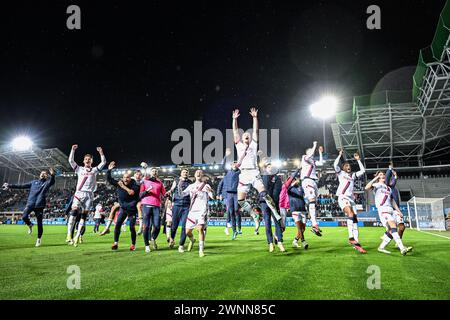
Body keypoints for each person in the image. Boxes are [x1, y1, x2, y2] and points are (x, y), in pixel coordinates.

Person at [232, 108, 283, 232]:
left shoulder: (254, 145)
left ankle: (275, 213)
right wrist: (234, 119)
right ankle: (254, 215)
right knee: (240, 201)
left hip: (254, 172)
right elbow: (235, 132)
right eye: (245, 136)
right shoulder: (239, 146)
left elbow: (255, 131)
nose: (247, 136)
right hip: (243, 173)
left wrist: (255, 118)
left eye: (248, 136)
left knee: (264, 194)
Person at [2, 168, 55, 247]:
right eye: (42, 172)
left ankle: (39, 239)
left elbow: (52, 181)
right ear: (40, 174)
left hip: (39, 205)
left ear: (46, 176)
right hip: (30, 203)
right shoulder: (34, 182)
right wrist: (9, 185)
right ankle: (30, 224)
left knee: (40, 224)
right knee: (24, 217)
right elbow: (22, 186)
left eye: (45, 173)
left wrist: (52, 175)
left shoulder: (46, 183)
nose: (43, 173)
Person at [66, 144, 106, 246]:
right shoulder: (79, 169)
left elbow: (104, 162)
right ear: (84, 161)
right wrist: (72, 150)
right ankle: (68, 235)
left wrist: (101, 153)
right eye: (86, 159)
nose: (87, 160)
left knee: (83, 216)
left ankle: (77, 236)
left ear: (92, 161)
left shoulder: (94, 170)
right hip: (79, 194)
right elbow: (71, 161)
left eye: (89, 159)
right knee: (74, 211)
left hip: (89, 195)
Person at [365, 172, 413, 255]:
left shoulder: (389, 188)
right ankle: (402, 248)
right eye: (380, 174)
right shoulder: (376, 185)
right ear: (378, 177)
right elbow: (367, 187)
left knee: (396, 229)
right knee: (393, 227)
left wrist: (398, 211)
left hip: (391, 210)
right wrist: (376, 178)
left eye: (383, 174)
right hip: (383, 210)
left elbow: (392, 201)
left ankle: (381, 247)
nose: (383, 175)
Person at [334, 150, 367, 253]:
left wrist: (358, 160)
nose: (349, 167)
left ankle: (356, 243)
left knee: (355, 221)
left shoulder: (352, 176)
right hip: (342, 197)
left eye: (349, 166)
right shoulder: (341, 173)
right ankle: (351, 237)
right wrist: (339, 155)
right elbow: (335, 164)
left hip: (351, 199)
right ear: (344, 167)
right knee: (351, 214)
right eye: (347, 165)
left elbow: (363, 171)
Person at [106, 162, 140, 251]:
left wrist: (123, 186)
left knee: (132, 227)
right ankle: (115, 243)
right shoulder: (119, 183)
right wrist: (109, 170)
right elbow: (109, 180)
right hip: (123, 208)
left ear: (130, 178)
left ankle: (133, 244)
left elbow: (131, 192)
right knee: (117, 225)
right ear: (122, 178)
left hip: (132, 209)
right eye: (124, 177)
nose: (125, 179)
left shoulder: (135, 184)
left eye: (127, 177)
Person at [181, 170, 214, 257]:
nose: (198, 173)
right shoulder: (191, 186)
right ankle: (192, 240)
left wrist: (211, 191)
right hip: (192, 211)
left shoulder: (206, 185)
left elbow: (212, 196)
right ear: (194, 175)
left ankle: (201, 250)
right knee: (187, 231)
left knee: (200, 229)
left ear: (202, 175)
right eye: (197, 172)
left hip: (202, 210)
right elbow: (182, 194)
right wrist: (178, 185)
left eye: (200, 172)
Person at [260, 161, 285, 252]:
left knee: (277, 222)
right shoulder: (263, 177)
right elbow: (263, 188)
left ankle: (280, 242)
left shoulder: (277, 178)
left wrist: (272, 201)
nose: (269, 168)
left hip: (273, 202)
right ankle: (270, 243)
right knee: (267, 223)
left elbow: (277, 191)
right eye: (268, 167)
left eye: (271, 167)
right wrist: (266, 175)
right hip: (264, 202)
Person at [140, 167, 166, 253]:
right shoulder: (145, 181)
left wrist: (168, 194)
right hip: (146, 204)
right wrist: (147, 191)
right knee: (146, 226)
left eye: (156, 171)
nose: (154, 172)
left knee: (157, 226)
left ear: (157, 173)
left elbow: (164, 194)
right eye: (153, 171)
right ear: (150, 173)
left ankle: (152, 238)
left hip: (156, 206)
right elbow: (140, 195)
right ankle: (147, 245)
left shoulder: (160, 183)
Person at [300, 141, 323, 236]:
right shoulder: (304, 158)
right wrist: (314, 145)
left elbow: (321, 163)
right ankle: (314, 224)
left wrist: (320, 152)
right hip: (307, 180)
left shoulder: (313, 162)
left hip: (314, 181)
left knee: (313, 202)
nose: (312, 153)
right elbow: (310, 154)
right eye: (310, 152)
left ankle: (313, 223)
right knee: (312, 199)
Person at [219, 148, 242, 239]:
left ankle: (239, 228)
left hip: (236, 193)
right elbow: (222, 166)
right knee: (231, 212)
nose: (234, 164)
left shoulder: (240, 172)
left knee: (236, 210)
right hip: (229, 195)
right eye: (233, 163)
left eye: (236, 163)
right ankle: (234, 231)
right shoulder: (228, 172)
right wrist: (225, 156)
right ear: (231, 165)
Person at [167, 169, 192, 252]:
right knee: (174, 225)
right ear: (181, 173)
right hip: (177, 205)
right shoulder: (176, 180)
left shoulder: (190, 182)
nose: (185, 173)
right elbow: (172, 189)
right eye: (184, 172)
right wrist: (169, 192)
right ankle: (172, 239)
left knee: (185, 226)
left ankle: (181, 245)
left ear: (188, 174)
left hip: (186, 206)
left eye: (186, 172)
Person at [284, 167, 309, 250]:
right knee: (299, 228)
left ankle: (295, 241)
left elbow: (304, 195)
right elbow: (290, 184)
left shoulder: (301, 188)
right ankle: (303, 241)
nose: (295, 180)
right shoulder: (289, 189)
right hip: (295, 210)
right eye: (292, 180)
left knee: (303, 228)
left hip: (303, 210)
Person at [385, 163, 405, 239]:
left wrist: (395, 175)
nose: (390, 181)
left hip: (396, 210)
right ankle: (385, 239)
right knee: (392, 229)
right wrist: (390, 169)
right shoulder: (387, 187)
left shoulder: (393, 187)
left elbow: (394, 179)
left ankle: (398, 241)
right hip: (389, 211)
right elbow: (387, 178)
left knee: (402, 227)